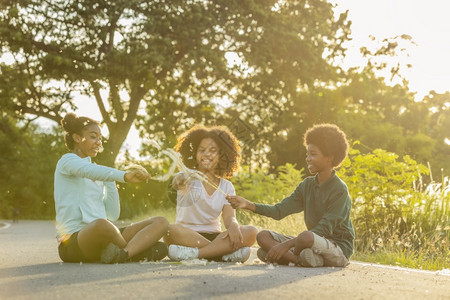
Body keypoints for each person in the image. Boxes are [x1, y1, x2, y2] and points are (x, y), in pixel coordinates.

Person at [227, 124, 354, 267]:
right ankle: (303, 259)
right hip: (309, 244)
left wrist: (285, 246)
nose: (307, 158)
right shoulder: (306, 185)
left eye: (313, 154)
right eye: (307, 154)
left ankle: (296, 257)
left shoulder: (339, 189)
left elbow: (323, 229)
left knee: (305, 237)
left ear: (329, 158)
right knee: (263, 236)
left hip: (338, 248)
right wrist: (248, 204)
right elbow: (279, 211)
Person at [54, 113, 169, 264]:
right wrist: (124, 176)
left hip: (107, 237)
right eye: (93, 136)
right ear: (77, 138)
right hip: (75, 242)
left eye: (100, 138)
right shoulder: (67, 161)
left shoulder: (99, 171)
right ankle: (132, 251)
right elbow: (85, 170)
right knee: (102, 224)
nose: (98, 143)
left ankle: (124, 253)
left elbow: (113, 214)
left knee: (161, 222)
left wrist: (110, 181)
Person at [164, 125, 258, 262]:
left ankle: (195, 254)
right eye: (201, 150)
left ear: (221, 155)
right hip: (187, 235)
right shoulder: (186, 177)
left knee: (252, 232)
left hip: (216, 236)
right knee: (169, 230)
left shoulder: (227, 186)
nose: (206, 154)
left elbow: (229, 217)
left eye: (212, 151)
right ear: (195, 155)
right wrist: (180, 180)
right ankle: (222, 254)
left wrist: (233, 226)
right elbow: (176, 182)